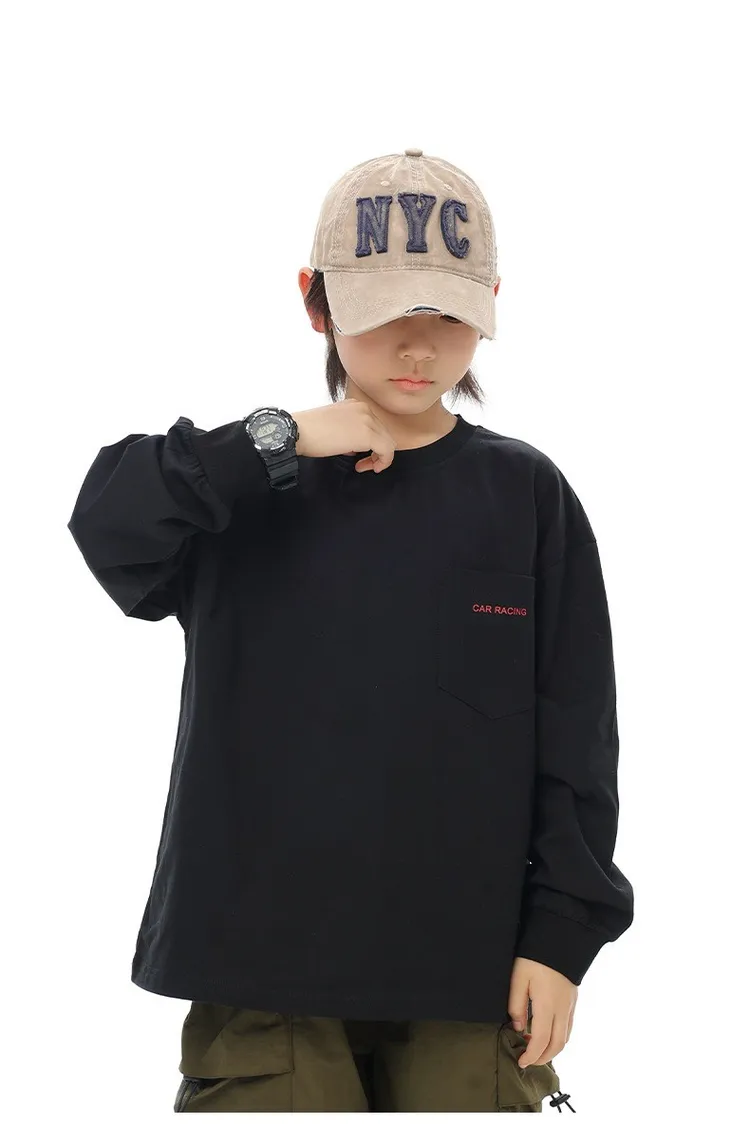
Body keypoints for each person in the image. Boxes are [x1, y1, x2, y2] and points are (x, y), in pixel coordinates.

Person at [67, 148, 633, 1112]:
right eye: (384, 312)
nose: (419, 346)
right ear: (316, 301)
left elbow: (577, 739)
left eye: (448, 315)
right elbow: (108, 522)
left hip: (471, 971)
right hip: (262, 972)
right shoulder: (247, 482)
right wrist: (276, 439)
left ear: (492, 304)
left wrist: (561, 937)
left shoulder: (525, 495)